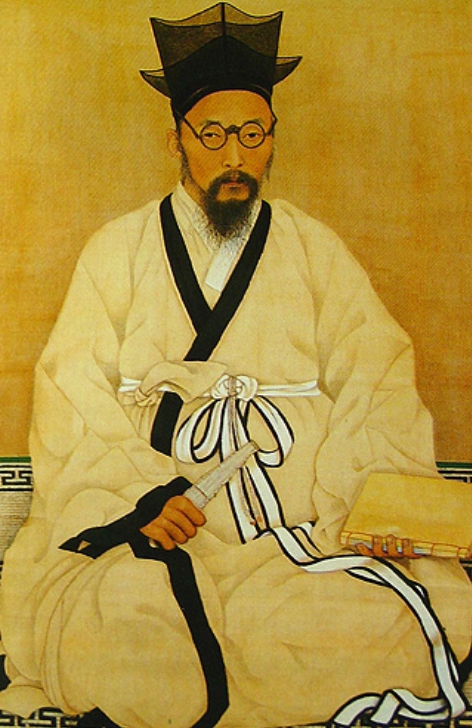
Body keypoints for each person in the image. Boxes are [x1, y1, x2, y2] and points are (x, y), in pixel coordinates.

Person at [0, 4, 471, 728]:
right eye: (213, 135)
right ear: (177, 140)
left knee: (374, 612)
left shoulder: (314, 249)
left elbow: (376, 381)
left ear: (272, 139)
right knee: (131, 611)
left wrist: (364, 504)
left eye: (253, 135)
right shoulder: (117, 249)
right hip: (163, 511)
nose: (235, 156)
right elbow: (72, 395)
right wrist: (143, 499)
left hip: (299, 517)